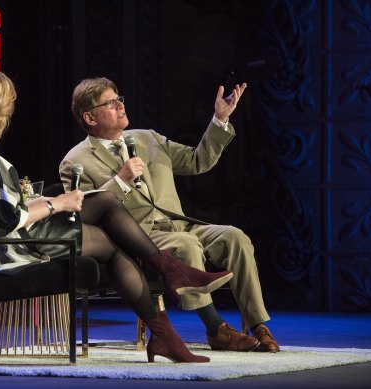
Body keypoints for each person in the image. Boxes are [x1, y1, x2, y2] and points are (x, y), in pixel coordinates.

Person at [0, 67, 233, 363]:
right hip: (5, 248)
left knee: (104, 205)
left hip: (2, 239)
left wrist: (49, 201)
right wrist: (56, 205)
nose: (9, 115)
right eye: (6, 108)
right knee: (112, 240)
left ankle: (166, 310)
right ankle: (166, 311)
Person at [60, 77, 280, 353]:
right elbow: (83, 215)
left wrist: (219, 120)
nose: (119, 105)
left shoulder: (148, 138)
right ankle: (216, 330)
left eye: (119, 99)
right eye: (109, 102)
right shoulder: (76, 160)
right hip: (141, 237)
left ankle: (259, 325)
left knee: (235, 237)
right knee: (187, 246)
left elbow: (198, 161)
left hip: (180, 224)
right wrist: (120, 180)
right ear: (90, 117)